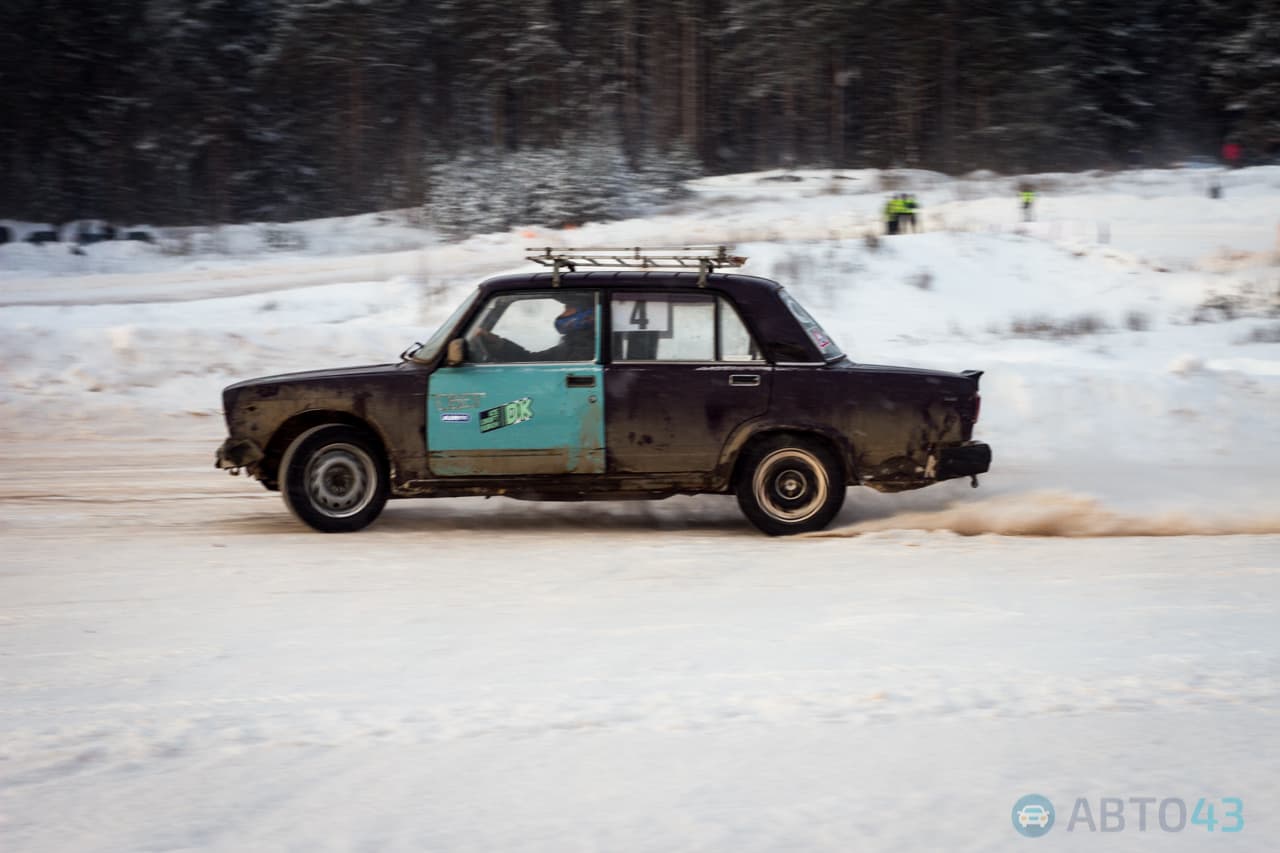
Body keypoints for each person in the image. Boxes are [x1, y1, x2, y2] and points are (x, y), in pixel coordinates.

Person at [471, 295, 596, 362]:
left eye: (567, 309)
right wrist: (498, 343)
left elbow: (534, 361)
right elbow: (533, 359)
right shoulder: (578, 343)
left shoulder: (583, 347)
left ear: (586, 316)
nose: (562, 315)